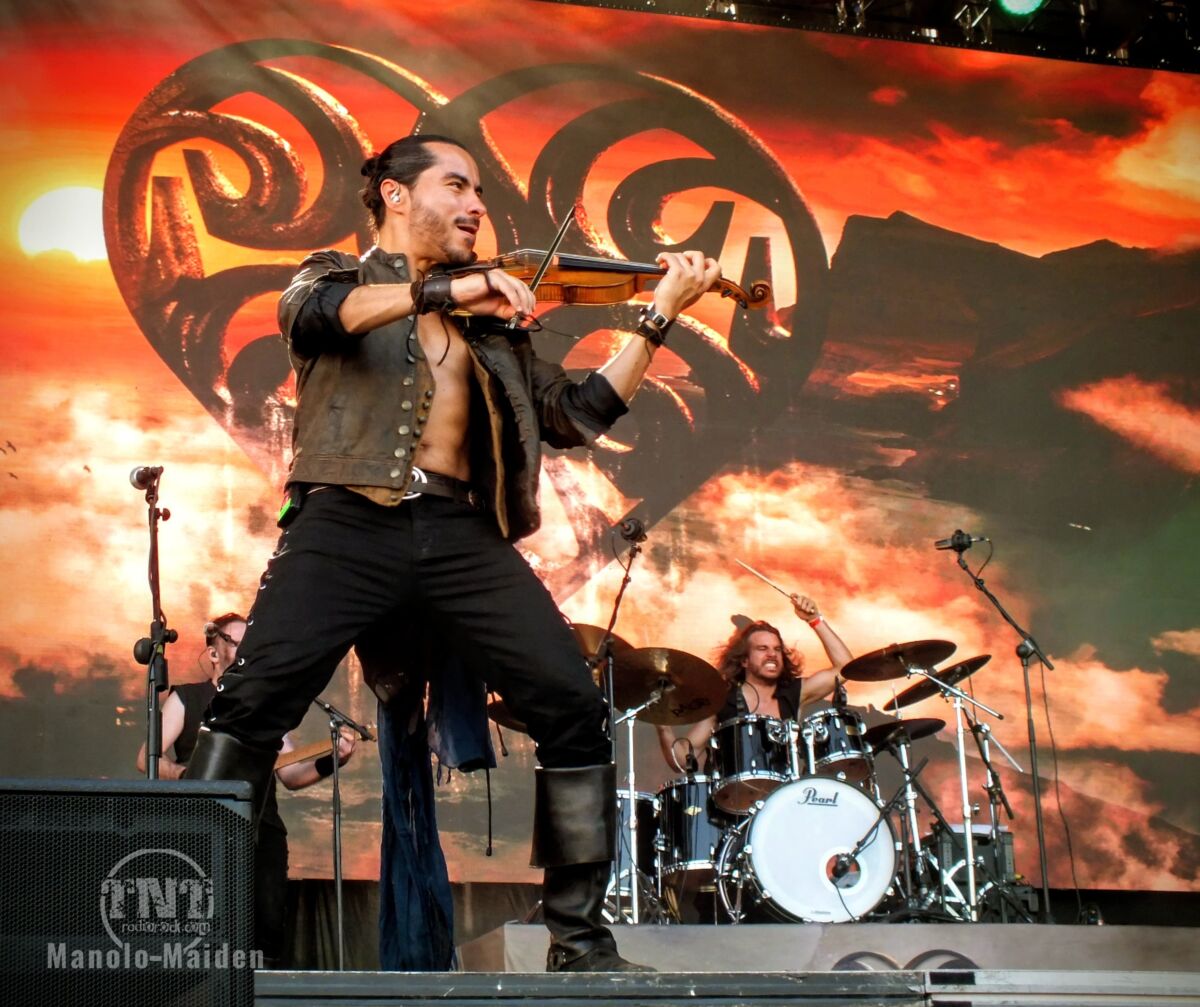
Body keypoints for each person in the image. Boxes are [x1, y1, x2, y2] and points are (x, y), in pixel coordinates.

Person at [183, 132, 721, 972]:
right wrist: (447, 288)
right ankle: (185, 931)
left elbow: (576, 413)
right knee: (248, 709)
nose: (476, 205)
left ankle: (579, 942)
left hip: (460, 530)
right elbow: (313, 316)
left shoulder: (491, 331)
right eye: (457, 185)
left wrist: (658, 317)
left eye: (479, 192)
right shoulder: (336, 275)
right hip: (345, 518)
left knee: (572, 707)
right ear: (396, 195)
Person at [136, 612, 357, 965]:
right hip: (201, 833)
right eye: (240, 643)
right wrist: (187, 776)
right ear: (214, 653)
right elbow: (147, 759)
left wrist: (334, 760)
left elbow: (290, 774)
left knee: (263, 938)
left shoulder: (264, 707)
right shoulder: (187, 698)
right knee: (201, 934)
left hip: (261, 836)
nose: (248, 652)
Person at [655, 595, 853, 773]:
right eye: (762, 648)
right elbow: (682, 761)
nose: (772, 654)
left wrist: (814, 619)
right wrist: (662, 724)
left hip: (785, 796)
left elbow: (845, 668)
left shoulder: (794, 692)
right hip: (734, 799)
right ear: (744, 660)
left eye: (777, 649)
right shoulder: (723, 700)